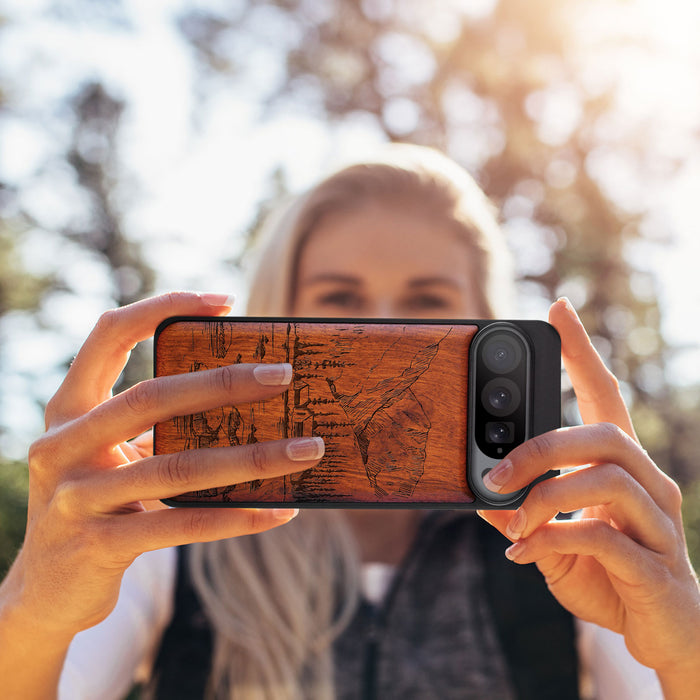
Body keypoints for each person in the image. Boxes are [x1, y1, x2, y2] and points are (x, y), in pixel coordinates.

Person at [0, 145, 698, 700]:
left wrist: (685, 648)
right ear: (278, 315)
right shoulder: (171, 535)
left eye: (428, 301)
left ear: (488, 323)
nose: (385, 327)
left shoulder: (567, 544)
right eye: (340, 299)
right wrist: (34, 607)